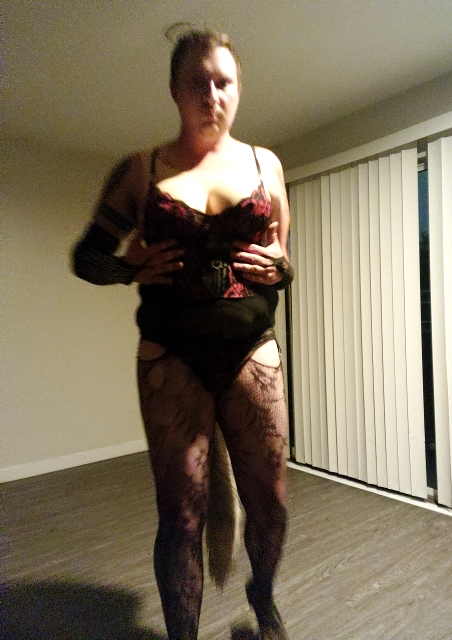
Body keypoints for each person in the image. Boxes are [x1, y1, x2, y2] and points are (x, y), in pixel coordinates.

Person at [72, 27, 293, 640]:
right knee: (182, 518)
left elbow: (282, 259)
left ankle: (262, 592)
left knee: (271, 500)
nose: (212, 95)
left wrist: (281, 268)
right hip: (171, 356)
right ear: (174, 90)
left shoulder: (265, 165)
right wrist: (128, 266)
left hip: (252, 350)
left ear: (238, 88)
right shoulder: (139, 171)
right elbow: (87, 256)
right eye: (198, 82)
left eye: (224, 82)